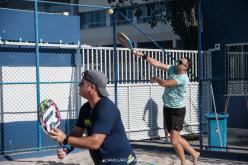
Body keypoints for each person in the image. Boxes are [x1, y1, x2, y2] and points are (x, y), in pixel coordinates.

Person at [50, 70, 136, 165]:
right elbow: (76, 133)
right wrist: (66, 148)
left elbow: (95, 143)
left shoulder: (106, 109)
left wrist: (65, 139)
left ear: (92, 87)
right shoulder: (85, 109)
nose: (79, 85)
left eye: (82, 83)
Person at [133, 50, 200, 165]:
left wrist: (155, 78)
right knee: (175, 139)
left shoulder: (183, 78)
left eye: (180, 62)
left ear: (185, 68)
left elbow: (164, 83)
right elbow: (157, 64)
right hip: (167, 107)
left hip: (177, 111)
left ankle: (188, 158)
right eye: (179, 61)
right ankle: (190, 156)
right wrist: (143, 55)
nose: (178, 62)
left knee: (174, 141)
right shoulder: (174, 68)